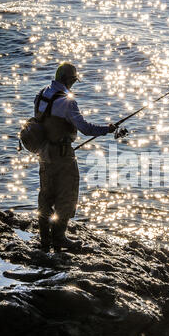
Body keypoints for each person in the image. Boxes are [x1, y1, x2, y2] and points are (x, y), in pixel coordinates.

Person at [34, 62, 116, 252]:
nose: (73, 85)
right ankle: (59, 238)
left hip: (44, 152)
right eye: (73, 81)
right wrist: (107, 129)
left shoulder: (41, 95)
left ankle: (44, 239)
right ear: (68, 80)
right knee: (67, 194)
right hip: (62, 156)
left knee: (46, 194)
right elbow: (86, 129)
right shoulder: (67, 101)